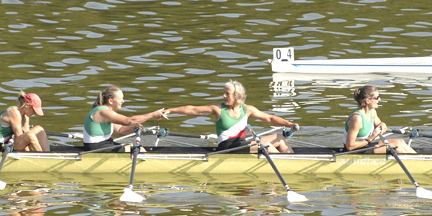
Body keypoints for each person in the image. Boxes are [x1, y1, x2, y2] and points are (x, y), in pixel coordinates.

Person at [167, 80, 299, 154]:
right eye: (224, 93)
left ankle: (294, 162)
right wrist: (171, 110)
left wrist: (289, 124)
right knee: (267, 145)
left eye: (227, 93)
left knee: (279, 138)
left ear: (236, 96)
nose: (223, 96)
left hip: (241, 144)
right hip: (227, 147)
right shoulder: (218, 109)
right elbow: (193, 109)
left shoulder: (247, 109)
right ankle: (285, 166)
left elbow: (269, 118)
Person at [83, 85, 169, 150]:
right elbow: (129, 121)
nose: (123, 101)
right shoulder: (103, 112)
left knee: (135, 148)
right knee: (138, 149)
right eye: (121, 99)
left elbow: (120, 130)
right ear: (110, 101)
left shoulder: (106, 112)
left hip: (105, 144)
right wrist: (152, 115)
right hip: (95, 146)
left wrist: (132, 128)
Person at [342, 85, 415, 154]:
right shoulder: (357, 118)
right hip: (354, 151)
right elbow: (350, 147)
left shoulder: (372, 111)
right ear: (367, 101)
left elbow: (379, 124)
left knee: (400, 142)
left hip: (365, 145)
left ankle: (422, 160)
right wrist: (371, 138)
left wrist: (382, 124)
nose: (379, 99)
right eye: (376, 97)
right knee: (397, 147)